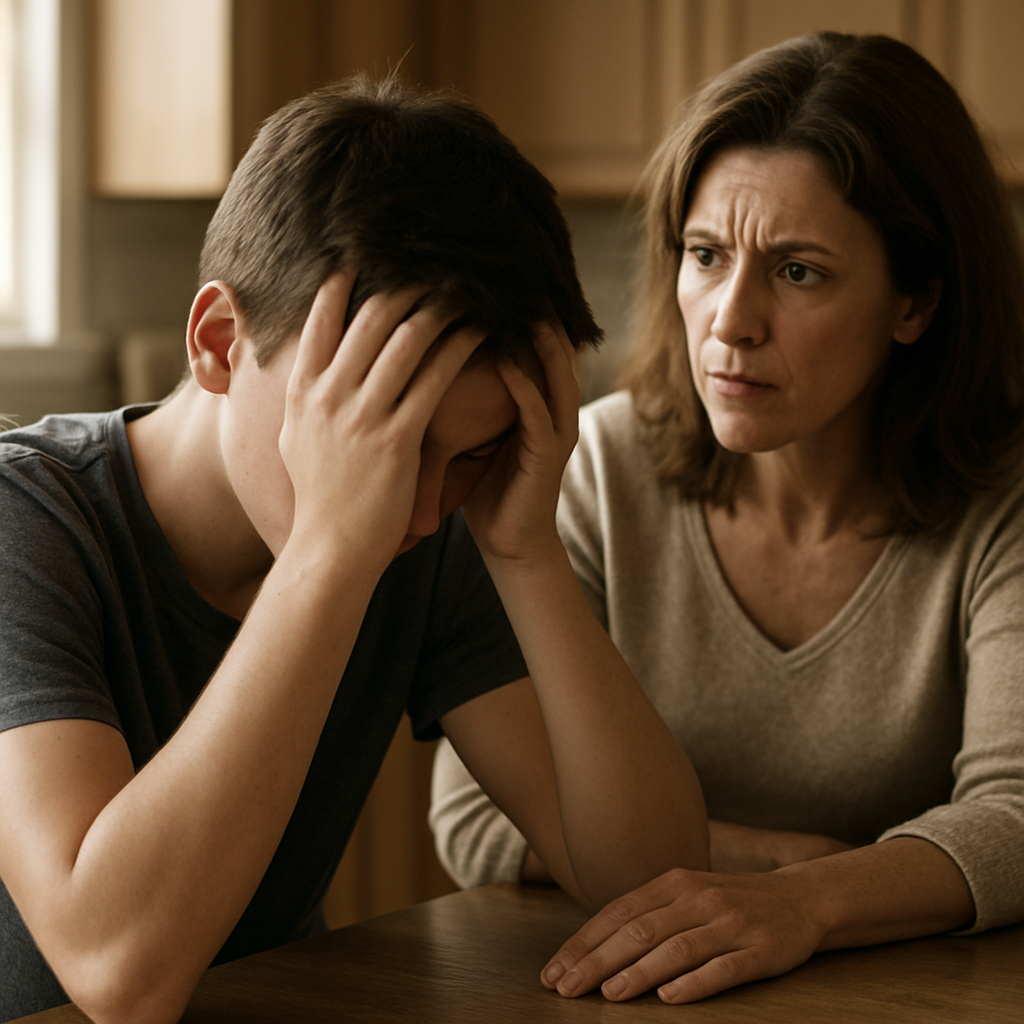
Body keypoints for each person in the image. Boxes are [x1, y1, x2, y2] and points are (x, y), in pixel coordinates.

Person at [0, 76, 709, 1023]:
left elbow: (655, 890)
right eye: (380, 443)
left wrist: (527, 552)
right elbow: (119, 973)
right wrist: (330, 552)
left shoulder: (435, 533)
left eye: (470, 455)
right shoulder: (23, 522)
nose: (418, 512)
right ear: (219, 342)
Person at [429, 30, 1024, 1004]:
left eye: (798, 271)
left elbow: (1015, 813)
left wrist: (808, 903)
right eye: (705, 256)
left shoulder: (1004, 497)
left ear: (914, 301)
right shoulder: (592, 468)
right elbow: (477, 821)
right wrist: (779, 865)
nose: (730, 321)